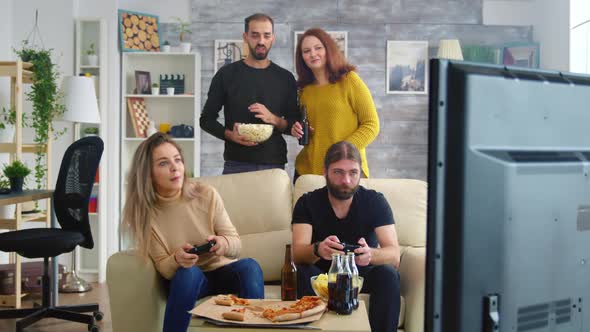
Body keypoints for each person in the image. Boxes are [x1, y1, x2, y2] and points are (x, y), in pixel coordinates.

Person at [122, 133, 264, 332]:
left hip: (222, 272)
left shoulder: (206, 194)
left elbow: (236, 244)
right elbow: (163, 266)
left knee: (250, 266)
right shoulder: (145, 214)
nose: (175, 167)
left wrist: (223, 243)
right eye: (163, 163)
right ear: (148, 173)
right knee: (188, 273)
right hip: (187, 281)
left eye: (177, 160)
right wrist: (177, 259)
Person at [292, 141, 401, 332]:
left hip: (361, 274)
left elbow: (394, 254)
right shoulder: (307, 202)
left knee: (388, 274)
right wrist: (318, 249)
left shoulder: (375, 201)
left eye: (353, 173)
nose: (346, 180)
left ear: (360, 173)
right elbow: (297, 253)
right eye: (338, 172)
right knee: (301, 272)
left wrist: (370, 255)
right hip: (321, 275)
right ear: (325, 171)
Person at [200, 13, 299, 175]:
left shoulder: (286, 78)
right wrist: (231, 135)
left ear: (273, 38)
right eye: (255, 35)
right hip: (236, 164)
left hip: (274, 165)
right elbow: (206, 120)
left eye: (266, 35)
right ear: (245, 37)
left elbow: (292, 125)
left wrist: (273, 119)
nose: (261, 41)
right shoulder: (226, 74)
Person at [291, 28, 379, 180]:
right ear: (302, 58)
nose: (313, 54)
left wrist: (342, 152)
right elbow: (312, 126)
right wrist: (297, 128)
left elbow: (371, 125)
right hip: (308, 172)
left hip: (344, 171)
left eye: (318, 48)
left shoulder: (349, 80)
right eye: (306, 51)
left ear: (328, 49)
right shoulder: (304, 90)